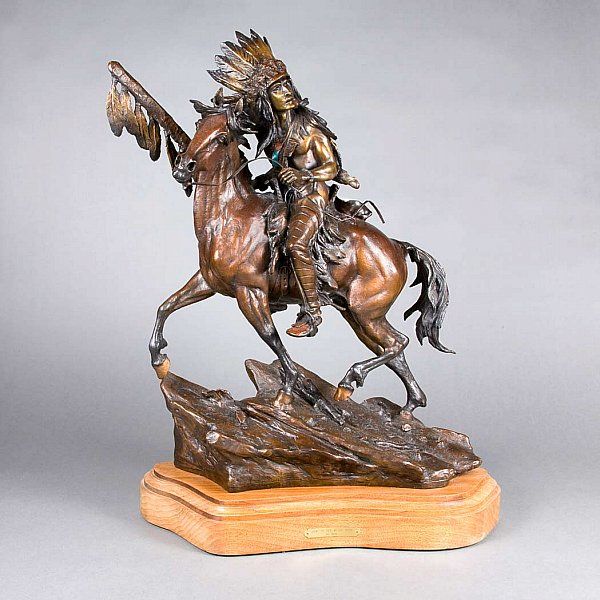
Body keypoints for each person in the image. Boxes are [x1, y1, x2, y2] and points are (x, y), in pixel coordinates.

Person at [209, 31, 359, 337]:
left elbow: (332, 166)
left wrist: (305, 176)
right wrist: (270, 176)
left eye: (287, 85)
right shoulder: (273, 131)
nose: (287, 92)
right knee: (258, 235)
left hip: (310, 196)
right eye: (278, 89)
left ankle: (313, 312)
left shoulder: (309, 130)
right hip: (285, 196)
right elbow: (280, 165)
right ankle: (273, 292)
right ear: (267, 99)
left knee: (296, 244)